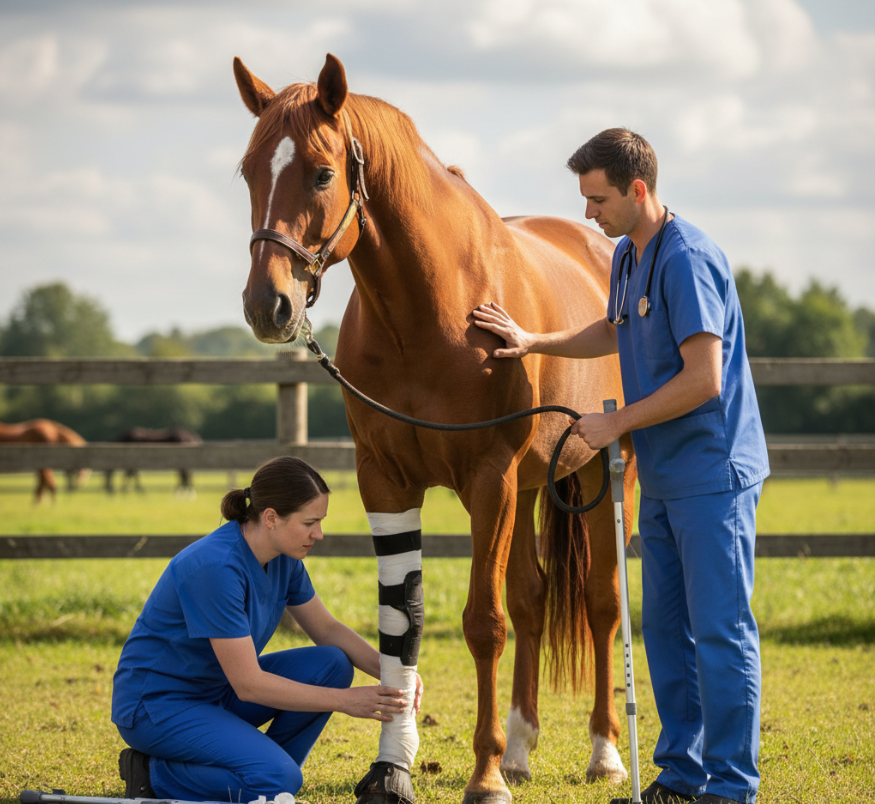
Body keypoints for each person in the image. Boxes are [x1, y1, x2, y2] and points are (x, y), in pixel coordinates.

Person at [472, 128, 768, 804]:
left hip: (711, 474)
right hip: (662, 476)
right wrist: (534, 339)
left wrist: (615, 423)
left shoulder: (687, 258)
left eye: (597, 198)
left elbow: (703, 380)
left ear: (638, 190)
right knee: (664, 632)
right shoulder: (628, 255)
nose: (586, 214)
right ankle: (681, 773)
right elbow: (613, 328)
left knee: (719, 633)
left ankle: (730, 785)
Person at [112, 456, 423, 803]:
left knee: (331, 664)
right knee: (278, 778)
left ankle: (264, 776)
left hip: (216, 692)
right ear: (272, 518)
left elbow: (327, 629)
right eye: (309, 523)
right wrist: (347, 701)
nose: (318, 534)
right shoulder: (215, 567)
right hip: (157, 706)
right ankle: (154, 773)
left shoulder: (284, 558)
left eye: (320, 521)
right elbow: (249, 684)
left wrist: (395, 673)